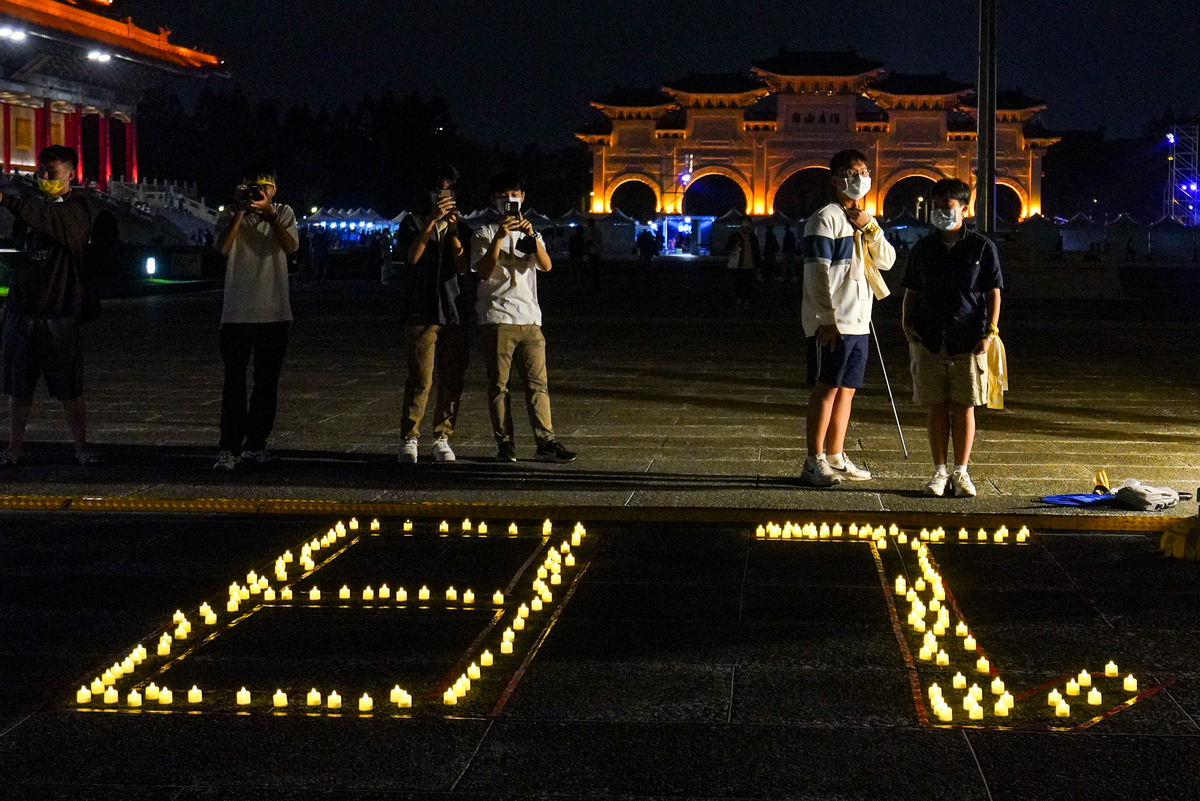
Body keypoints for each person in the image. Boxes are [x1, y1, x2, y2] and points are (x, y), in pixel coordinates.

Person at [901, 178, 1003, 498]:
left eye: (946, 207)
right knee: (935, 406)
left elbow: (993, 292)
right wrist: (907, 325)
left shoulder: (982, 247)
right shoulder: (923, 248)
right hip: (929, 336)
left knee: (964, 406)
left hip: (968, 338)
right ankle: (939, 471)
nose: (940, 213)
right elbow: (911, 291)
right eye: (936, 207)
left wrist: (990, 333)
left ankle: (961, 471)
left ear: (965, 209)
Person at [800, 149, 896, 486]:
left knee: (847, 390)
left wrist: (870, 227)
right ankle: (814, 460)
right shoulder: (824, 219)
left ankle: (836, 456)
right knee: (826, 388)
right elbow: (817, 273)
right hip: (833, 322)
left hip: (860, 320)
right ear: (835, 179)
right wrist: (825, 318)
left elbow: (887, 261)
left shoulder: (866, 220)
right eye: (852, 172)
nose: (861, 177)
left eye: (865, 171)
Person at [0, 145, 99, 466]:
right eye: (41, 170)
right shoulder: (34, 207)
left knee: (68, 388)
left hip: (58, 310)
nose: (44, 176)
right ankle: (14, 447)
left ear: (71, 174)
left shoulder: (76, 209)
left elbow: (51, 219)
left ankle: (81, 447)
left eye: (52, 171)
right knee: (18, 386)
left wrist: (8, 200)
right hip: (22, 309)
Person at [470, 172, 576, 463]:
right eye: (503, 196)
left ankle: (546, 441)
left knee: (538, 385)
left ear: (523, 198)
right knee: (499, 386)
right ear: (493, 200)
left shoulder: (532, 233)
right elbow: (483, 271)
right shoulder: (483, 233)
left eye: (514, 195)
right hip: (497, 317)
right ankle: (505, 443)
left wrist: (532, 237)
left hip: (530, 318)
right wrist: (500, 237)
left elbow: (546, 266)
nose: (509, 200)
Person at [212, 164, 299, 472]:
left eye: (264, 187)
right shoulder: (231, 213)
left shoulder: (283, 212)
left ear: (274, 190)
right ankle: (230, 447)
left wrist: (269, 214)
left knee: (266, 383)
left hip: (274, 311)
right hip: (236, 313)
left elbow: (290, 246)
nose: (258, 192)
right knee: (233, 383)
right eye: (252, 186)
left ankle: (256, 444)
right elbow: (222, 247)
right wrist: (239, 211)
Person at [395, 163, 473, 463]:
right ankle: (409, 437)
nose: (443, 195)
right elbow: (411, 258)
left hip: (454, 310)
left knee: (452, 379)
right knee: (420, 379)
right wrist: (430, 222)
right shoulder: (412, 222)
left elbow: (464, 268)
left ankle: (442, 437)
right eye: (438, 190)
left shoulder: (462, 227)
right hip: (421, 308)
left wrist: (452, 231)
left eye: (448, 190)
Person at [726, 215, 760, 310]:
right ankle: (739, 299)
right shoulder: (736, 236)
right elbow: (728, 246)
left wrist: (758, 265)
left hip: (750, 265)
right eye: (744, 222)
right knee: (739, 283)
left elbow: (756, 251)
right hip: (739, 264)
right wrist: (734, 247)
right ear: (740, 223)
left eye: (747, 222)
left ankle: (746, 300)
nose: (746, 224)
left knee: (749, 284)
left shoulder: (752, 237)